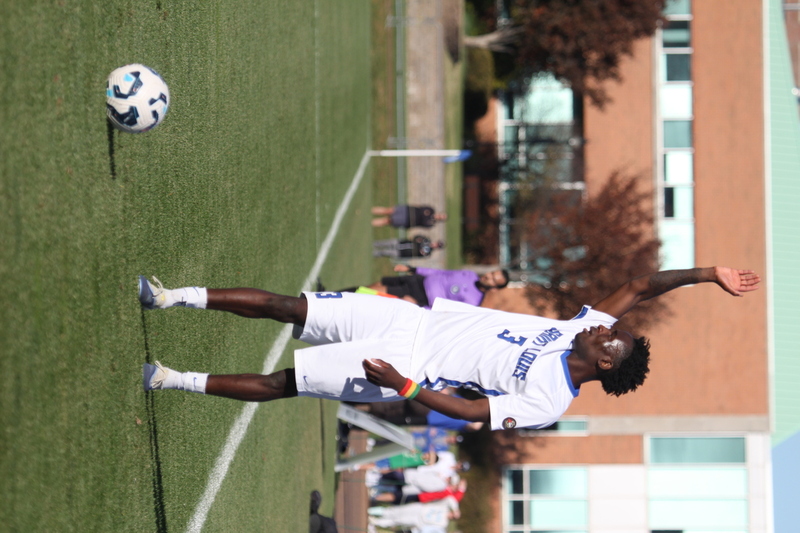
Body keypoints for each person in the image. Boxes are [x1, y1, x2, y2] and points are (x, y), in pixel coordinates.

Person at [138, 266, 760, 430]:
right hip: (409, 318)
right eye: (608, 327)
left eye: (610, 337)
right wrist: (708, 275)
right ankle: (173, 298)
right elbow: (642, 286)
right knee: (288, 305)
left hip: (407, 366)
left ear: (605, 363)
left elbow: (467, 412)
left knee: (284, 384)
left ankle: (172, 378)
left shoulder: (548, 401)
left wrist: (401, 386)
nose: (603, 326)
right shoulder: (575, 331)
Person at [361, 265, 509, 308]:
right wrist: (412, 269)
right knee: (374, 285)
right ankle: (345, 294)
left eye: (493, 280)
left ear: (494, 288)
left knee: (368, 293)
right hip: (416, 280)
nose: (488, 276)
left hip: (417, 297)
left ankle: (343, 297)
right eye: (492, 273)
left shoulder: (473, 302)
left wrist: (417, 306)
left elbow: (442, 312)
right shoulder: (469, 274)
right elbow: (441, 272)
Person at [371, 204, 447, 228]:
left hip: (407, 220)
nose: (440, 216)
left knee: (388, 220)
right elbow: (420, 209)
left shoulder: (431, 223)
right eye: (441, 215)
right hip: (407, 210)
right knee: (388, 210)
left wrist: (425, 215)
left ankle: (370, 223)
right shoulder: (431, 209)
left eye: (441, 218)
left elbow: (422, 221)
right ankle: (370, 210)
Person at [372, 235, 444, 259]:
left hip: (403, 252)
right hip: (403, 242)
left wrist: (421, 252)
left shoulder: (428, 253)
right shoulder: (426, 240)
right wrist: (418, 239)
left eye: (437, 246)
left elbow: (419, 255)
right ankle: (374, 244)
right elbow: (416, 237)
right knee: (387, 243)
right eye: (437, 243)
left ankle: (374, 253)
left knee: (386, 252)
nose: (435, 245)